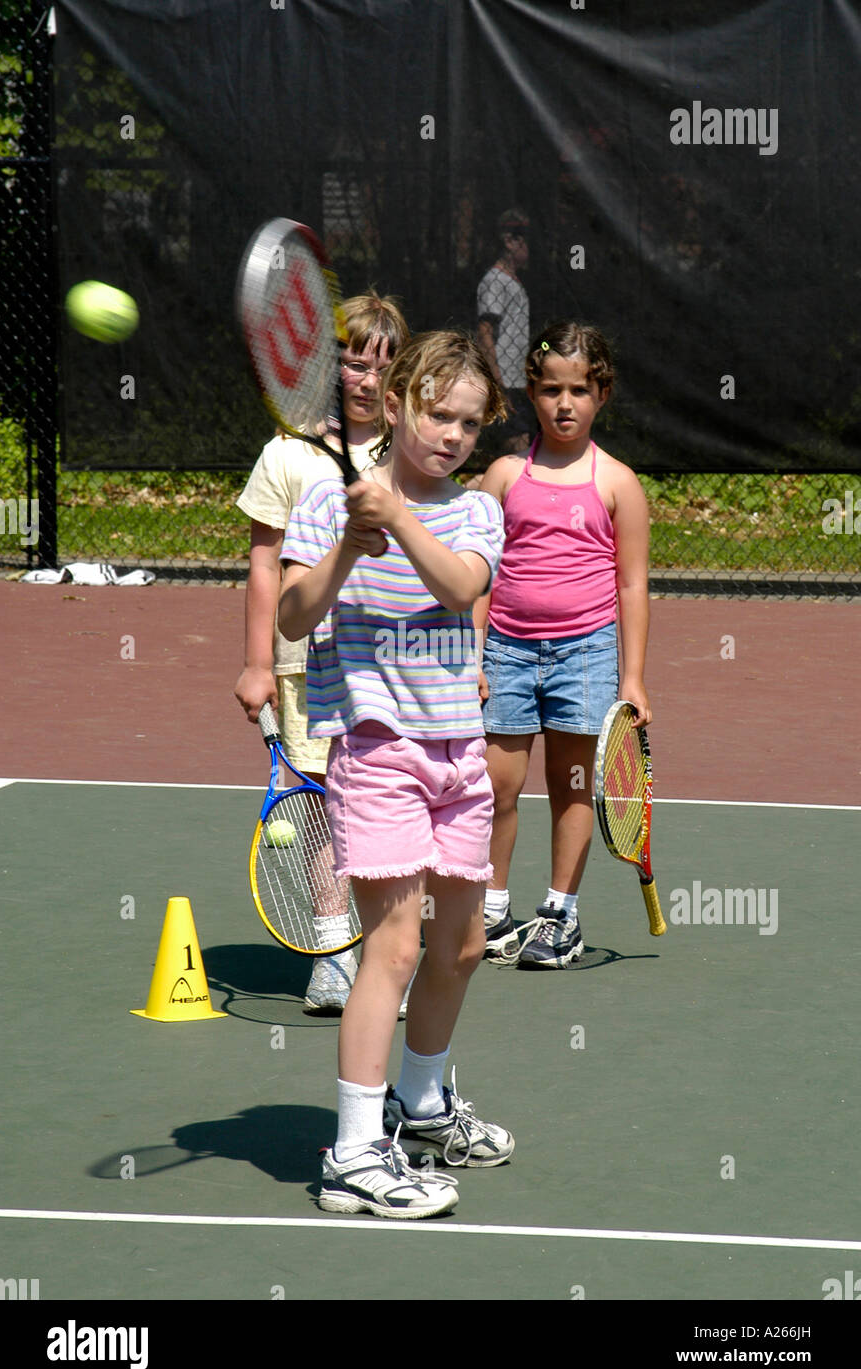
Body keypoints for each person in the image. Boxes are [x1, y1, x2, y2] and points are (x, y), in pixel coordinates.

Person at [278, 331, 513, 1218]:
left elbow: (459, 588)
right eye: (435, 412)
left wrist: (399, 518)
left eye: (468, 421)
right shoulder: (322, 503)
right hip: (377, 752)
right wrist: (347, 541)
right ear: (400, 397)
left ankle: (420, 1104)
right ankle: (352, 1155)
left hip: (460, 752)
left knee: (461, 946)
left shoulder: (477, 511)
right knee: (396, 948)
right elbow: (297, 618)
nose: (450, 435)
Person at [234, 293, 409, 1014]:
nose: (363, 378)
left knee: (381, 804)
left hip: (393, 665)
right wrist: (255, 663)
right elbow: (263, 563)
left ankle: (385, 955)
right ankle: (333, 954)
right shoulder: (285, 453)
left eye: (380, 364)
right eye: (349, 360)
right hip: (305, 662)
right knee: (319, 808)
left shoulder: (412, 451)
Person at [474, 321, 653, 968]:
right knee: (496, 784)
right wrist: (473, 653)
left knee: (572, 785)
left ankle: (560, 915)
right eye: (552, 389)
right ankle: (491, 911)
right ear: (531, 392)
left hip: (587, 654)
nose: (565, 403)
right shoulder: (500, 477)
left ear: (602, 393)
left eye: (580, 389)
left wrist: (632, 679)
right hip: (508, 653)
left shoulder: (619, 484)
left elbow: (632, 585)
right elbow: (476, 575)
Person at [476, 207, 532, 446]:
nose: (530, 249)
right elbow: (484, 331)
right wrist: (497, 378)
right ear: (510, 242)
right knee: (517, 443)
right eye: (526, 242)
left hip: (518, 379)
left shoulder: (515, 281)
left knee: (526, 439)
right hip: (504, 381)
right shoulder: (495, 281)